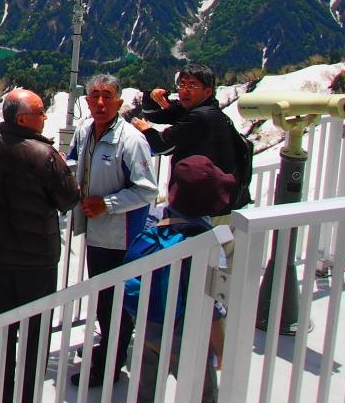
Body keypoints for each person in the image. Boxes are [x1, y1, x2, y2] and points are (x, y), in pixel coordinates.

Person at [0, 89, 81, 402]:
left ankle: (0, 392)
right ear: (23, 120)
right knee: (36, 334)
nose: (45, 117)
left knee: (1, 331)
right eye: (40, 112)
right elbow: (69, 199)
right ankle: (26, 394)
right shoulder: (45, 155)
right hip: (37, 262)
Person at [67, 74, 157, 386]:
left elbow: (147, 190)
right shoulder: (85, 131)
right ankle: (109, 347)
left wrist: (107, 203)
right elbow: (74, 164)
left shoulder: (131, 141)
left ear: (119, 101)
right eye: (95, 96)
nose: (100, 102)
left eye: (107, 96)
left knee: (115, 303)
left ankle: (108, 368)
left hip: (121, 236)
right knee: (104, 297)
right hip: (97, 233)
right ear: (87, 100)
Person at [122, 155, 234, 403]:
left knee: (146, 393)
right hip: (186, 340)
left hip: (148, 329)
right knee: (204, 396)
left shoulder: (154, 220)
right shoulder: (207, 244)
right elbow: (213, 308)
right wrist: (222, 349)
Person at [131, 63, 237, 188]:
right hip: (207, 189)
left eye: (191, 86)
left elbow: (162, 146)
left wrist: (145, 129)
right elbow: (154, 115)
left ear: (208, 91)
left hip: (202, 193)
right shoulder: (199, 109)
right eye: (182, 85)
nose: (184, 91)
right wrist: (152, 96)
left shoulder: (201, 116)